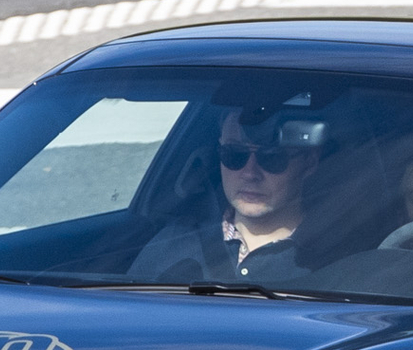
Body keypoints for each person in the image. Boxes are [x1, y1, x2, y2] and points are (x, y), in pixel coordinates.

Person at [126, 106, 323, 283]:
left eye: (271, 157)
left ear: (309, 163)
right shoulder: (171, 244)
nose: (250, 173)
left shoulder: (337, 256)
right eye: (235, 154)